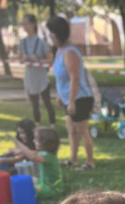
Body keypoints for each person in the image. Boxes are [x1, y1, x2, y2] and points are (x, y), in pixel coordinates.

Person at [46, 16, 95, 170]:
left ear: (56, 33)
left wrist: (72, 101)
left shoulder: (70, 52)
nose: (49, 36)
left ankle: (90, 162)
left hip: (80, 98)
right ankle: (73, 160)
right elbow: (63, 79)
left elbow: (74, 78)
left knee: (82, 131)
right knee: (71, 131)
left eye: (51, 33)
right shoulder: (60, 51)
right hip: (70, 98)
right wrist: (62, 96)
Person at [19, 15, 56, 128]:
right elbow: (20, 59)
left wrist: (39, 60)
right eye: (23, 24)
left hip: (41, 77)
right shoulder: (22, 42)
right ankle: (37, 127)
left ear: (33, 24)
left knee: (47, 102)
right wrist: (24, 58)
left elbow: (50, 59)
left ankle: (53, 126)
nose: (24, 26)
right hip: (30, 77)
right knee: (34, 104)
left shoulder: (41, 42)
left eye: (26, 24)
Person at [14, 126, 63, 199]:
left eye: (37, 140)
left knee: (24, 187)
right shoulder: (44, 153)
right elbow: (31, 153)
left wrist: (17, 142)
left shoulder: (48, 155)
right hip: (44, 182)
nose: (33, 141)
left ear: (45, 142)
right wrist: (20, 152)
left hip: (52, 188)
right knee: (26, 179)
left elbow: (32, 157)